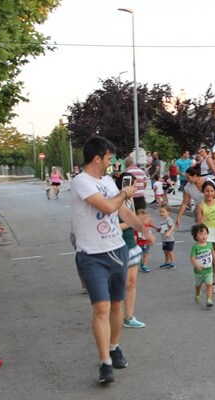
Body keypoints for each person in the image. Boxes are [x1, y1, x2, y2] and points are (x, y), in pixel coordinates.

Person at [71, 135, 149, 385]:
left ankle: (114, 347)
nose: (110, 162)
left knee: (117, 305)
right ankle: (105, 362)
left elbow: (123, 211)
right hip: (92, 255)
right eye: (107, 158)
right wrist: (125, 193)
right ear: (97, 158)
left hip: (117, 249)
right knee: (101, 307)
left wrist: (144, 229)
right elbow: (107, 207)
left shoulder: (107, 181)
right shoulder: (81, 182)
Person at [119, 193, 154, 328]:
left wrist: (144, 230)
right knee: (115, 285)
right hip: (114, 247)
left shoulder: (131, 200)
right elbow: (113, 227)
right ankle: (110, 316)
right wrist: (134, 222)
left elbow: (133, 221)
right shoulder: (112, 199)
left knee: (131, 283)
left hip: (131, 246)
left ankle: (128, 317)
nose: (133, 189)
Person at [190, 223, 215, 308]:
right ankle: (198, 292)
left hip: (208, 270)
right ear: (196, 236)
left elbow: (212, 252)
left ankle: (209, 299)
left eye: (205, 233)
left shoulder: (209, 244)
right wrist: (196, 265)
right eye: (201, 234)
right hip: (199, 271)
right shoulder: (195, 247)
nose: (204, 236)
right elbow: (192, 258)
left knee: (209, 284)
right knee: (198, 285)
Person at [135, 208, 154, 272]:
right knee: (139, 255)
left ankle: (145, 265)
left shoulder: (147, 224)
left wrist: (156, 228)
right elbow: (135, 234)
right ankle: (141, 263)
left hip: (146, 242)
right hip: (139, 243)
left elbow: (150, 227)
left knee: (145, 254)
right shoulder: (136, 225)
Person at [158, 205, 176, 269]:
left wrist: (169, 232)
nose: (161, 213)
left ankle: (173, 263)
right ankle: (167, 262)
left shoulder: (169, 219)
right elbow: (164, 228)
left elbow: (173, 227)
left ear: (168, 212)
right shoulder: (163, 220)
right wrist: (159, 229)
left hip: (169, 239)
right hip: (164, 239)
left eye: (163, 212)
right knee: (165, 251)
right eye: (160, 212)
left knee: (170, 251)